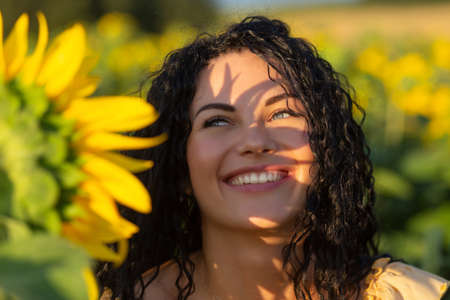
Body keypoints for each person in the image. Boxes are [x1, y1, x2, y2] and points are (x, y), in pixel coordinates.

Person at [97, 16, 449, 300]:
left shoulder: (405, 295)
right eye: (217, 121)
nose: (255, 141)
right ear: (179, 170)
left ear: (325, 147)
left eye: (281, 114)